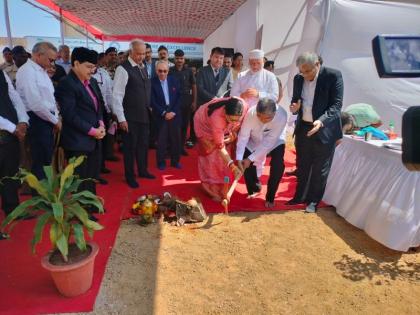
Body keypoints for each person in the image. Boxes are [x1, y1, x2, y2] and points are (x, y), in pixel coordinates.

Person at [287, 51, 344, 213]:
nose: (304, 75)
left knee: (320, 168)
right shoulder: (299, 79)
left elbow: (336, 105)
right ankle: (299, 196)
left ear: (317, 64)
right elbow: (295, 101)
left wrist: (321, 121)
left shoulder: (333, 76)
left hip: (324, 128)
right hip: (304, 127)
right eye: (302, 71)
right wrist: (294, 108)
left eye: (308, 71)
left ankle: (313, 201)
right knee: (302, 164)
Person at [55, 47, 105, 221]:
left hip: (94, 137)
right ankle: (81, 213)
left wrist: (101, 124)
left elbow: (98, 106)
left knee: (91, 176)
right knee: (80, 179)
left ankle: (91, 205)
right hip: (78, 141)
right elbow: (70, 115)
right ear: (76, 64)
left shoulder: (90, 81)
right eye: (89, 66)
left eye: (94, 67)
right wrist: (92, 131)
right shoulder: (66, 84)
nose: (92, 71)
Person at [112, 39, 155, 188]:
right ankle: (129, 176)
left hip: (144, 116)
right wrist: (121, 119)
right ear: (131, 52)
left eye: (143, 53)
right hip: (129, 117)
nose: (141, 56)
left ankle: (143, 170)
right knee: (130, 148)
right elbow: (116, 96)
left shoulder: (143, 67)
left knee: (143, 146)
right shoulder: (122, 69)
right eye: (138, 53)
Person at [16, 42, 61, 181]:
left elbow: (50, 99)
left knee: (46, 160)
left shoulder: (41, 71)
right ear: (38, 55)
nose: (52, 63)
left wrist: (56, 117)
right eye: (51, 59)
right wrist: (55, 121)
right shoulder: (27, 71)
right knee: (40, 164)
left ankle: (46, 197)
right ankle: (41, 200)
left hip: (47, 119)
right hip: (36, 120)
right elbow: (35, 104)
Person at [194, 97, 247, 201]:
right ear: (225, 113)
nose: (234, 122)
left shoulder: (242, 106)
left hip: (222, 129)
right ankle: (211, 188)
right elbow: (220, 147)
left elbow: (237, 125)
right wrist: (232, 166)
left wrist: (234, 132)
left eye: (237, 120)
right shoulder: (217, 119)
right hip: (205, 127)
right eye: (231, 120)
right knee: (211, 158)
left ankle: (223, 186)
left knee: (224, 159)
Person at [236, 98, 287, 208]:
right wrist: (239, 158)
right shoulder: (251, 113)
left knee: (278, 165)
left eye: (267, 118)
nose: (263, 120)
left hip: (275, 141)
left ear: (274, 113)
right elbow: (243, 136)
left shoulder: (282, 116)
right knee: (245, 159)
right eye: (259, 116)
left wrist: (251, 158)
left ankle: (270, 196)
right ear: (256, 112)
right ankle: (254, 188)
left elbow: (269, 142)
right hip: (253, 140)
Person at [0, 68, 29, 239]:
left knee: (10, 175)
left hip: (11, 135)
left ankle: (13, 210)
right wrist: (13, 128)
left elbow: (15, 97)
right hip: (9, 130)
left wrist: (23, 120)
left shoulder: (2, 73)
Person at [192, 47, 233, 147]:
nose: (218, 60)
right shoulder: (202, 71)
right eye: (216, 57)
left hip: (220, 110)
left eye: (221, 58)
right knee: (205, 140)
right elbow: (200, 89)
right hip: (205, 109)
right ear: (211, 57)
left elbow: (230, 88)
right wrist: (214, 99)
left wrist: (223, 100)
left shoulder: (227, 72)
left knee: (218, 137)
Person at [151, 60, 182, 170]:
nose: (162, 73)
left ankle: (175, 161)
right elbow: (152, 101)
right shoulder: (152, 82)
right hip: (160, 115)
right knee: (161, 141)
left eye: (165, 71)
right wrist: (164, 113)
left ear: (168, 71)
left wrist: (173, 112)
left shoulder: (174, 80)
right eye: (160, 71)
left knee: (176, 139)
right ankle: (161, 162)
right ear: (156, 71)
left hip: (174, 114)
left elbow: (179, 97)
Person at [169, 49, 197, 156]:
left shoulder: (189, 71)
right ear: (174, 59)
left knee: (184, 126)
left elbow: (194, 86)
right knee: (173, 126)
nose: (179, 60)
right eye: (177, 58)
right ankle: (172, 148)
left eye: (181, 58)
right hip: (173, 102)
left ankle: (180, 148)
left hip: (186, 101)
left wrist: (194, 101)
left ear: (184, 59)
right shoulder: (170, 70)